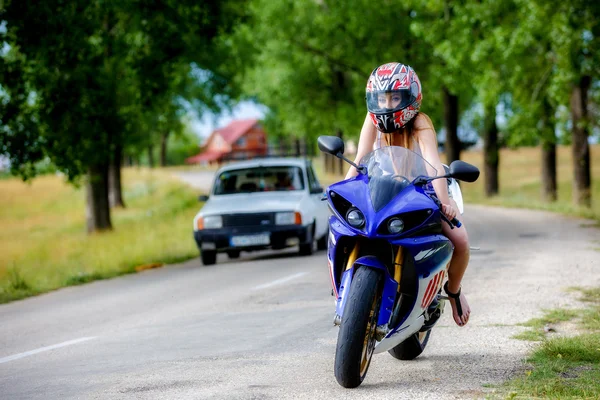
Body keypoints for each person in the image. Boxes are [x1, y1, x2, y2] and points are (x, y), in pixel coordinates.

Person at [345, 62, 471, 327]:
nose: (388, 104)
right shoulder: (371, 119)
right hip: (382, 185)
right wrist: (344, 188)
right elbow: (360, 158)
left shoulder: (421, 122)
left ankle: (454, 290)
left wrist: (444, 203)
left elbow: (432, 163)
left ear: (410, 96)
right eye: (382, 98)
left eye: (395, 97)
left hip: (422, 185)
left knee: (460, 240)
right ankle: (348, 291)